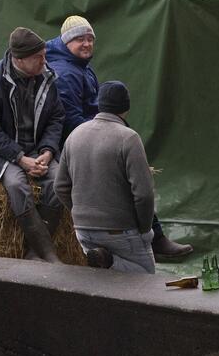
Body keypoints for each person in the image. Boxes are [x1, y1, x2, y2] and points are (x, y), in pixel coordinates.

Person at [45, 14, 192, 261]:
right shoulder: (66, 74)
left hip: (89, 133)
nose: (87, 44)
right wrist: (107, 135)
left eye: (90, 39)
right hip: (73, 143)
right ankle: (150, 236)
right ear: (67, 41)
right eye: (80, 39)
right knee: (129, 179)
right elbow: (71, 121)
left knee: (136, 174)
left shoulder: (80, 66)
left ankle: (154, 236)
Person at [0, 27, 65, 263]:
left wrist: (48, 150)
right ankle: (48, 252)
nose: (45, 61)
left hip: (36, 147)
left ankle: (35, 253)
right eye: (39, 57)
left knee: (59, 182)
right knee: (16, 184)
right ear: (19, 60)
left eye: (45, 54)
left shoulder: (46, 77)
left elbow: (56, 117)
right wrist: (20, 158)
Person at [55, 81, 156, 273]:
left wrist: (80, 212)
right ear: (126, 107)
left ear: (99, 104)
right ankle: (110, 262)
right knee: (146, 278)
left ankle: (106, 262)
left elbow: (60, 186)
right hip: (121, 229)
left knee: (102, 281)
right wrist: (144, 229)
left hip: (83, 230)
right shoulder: (129, 138)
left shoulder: (75, 134)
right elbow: (144, 194)